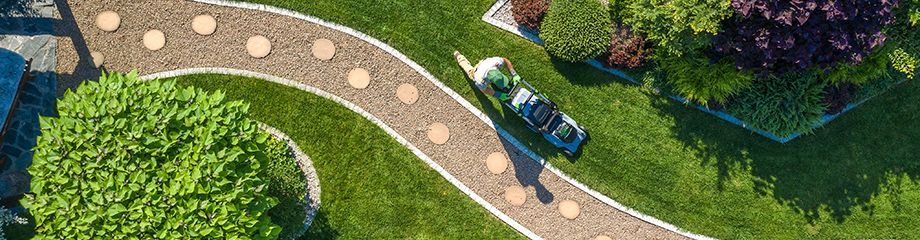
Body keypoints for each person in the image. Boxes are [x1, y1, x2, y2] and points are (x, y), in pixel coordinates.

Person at [454, 51, 520, 101]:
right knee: (467, 68)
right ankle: (459, 57)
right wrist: (498, 95)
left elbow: (505, 60)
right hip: (475, 71)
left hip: (485, 63)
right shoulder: (480, 81)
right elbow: (484, 90)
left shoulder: (496, 62)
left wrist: (514, 74)